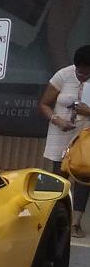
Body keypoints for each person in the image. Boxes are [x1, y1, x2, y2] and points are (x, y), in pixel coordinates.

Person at [39, 44, 90, 237]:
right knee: (59, 176)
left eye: (87, 75)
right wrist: (57, 120)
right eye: (80, 73)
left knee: (84, 176)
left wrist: (88, 112)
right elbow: (44, 104)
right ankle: (54, 218)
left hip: (85, 136)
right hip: (60, 132)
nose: (83, 77)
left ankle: (76, 222)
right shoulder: (63, 75)